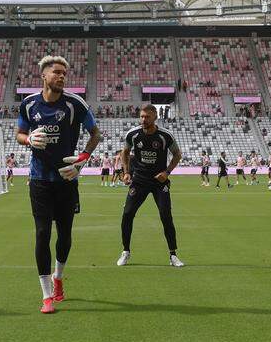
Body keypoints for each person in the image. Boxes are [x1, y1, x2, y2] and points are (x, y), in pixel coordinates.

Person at [16, 55, 102, 314]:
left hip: (66, 179)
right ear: (44, 75)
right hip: (39, 179)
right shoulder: (29, 104)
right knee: (42, 233)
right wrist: (29, 139)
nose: (62, 76)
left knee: (65, 235)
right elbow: (19, 135)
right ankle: (46, 296)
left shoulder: (75, 103)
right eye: (56, 72)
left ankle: (59, 277)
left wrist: (81, 161)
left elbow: (95, 134)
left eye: (64, 73)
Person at [117, 104, 184, 267]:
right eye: (141, 116)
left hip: (159, 182)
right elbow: (124, 152)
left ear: (155, 117)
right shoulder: (133, 134)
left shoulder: (165, 136)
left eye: (147, 117)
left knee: (165, 215)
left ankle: (173, 255)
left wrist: (167, 173)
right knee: (127, 214)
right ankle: (125, 251)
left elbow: (177, 154)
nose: (143, 120)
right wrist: (126, 172)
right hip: (139, 181)